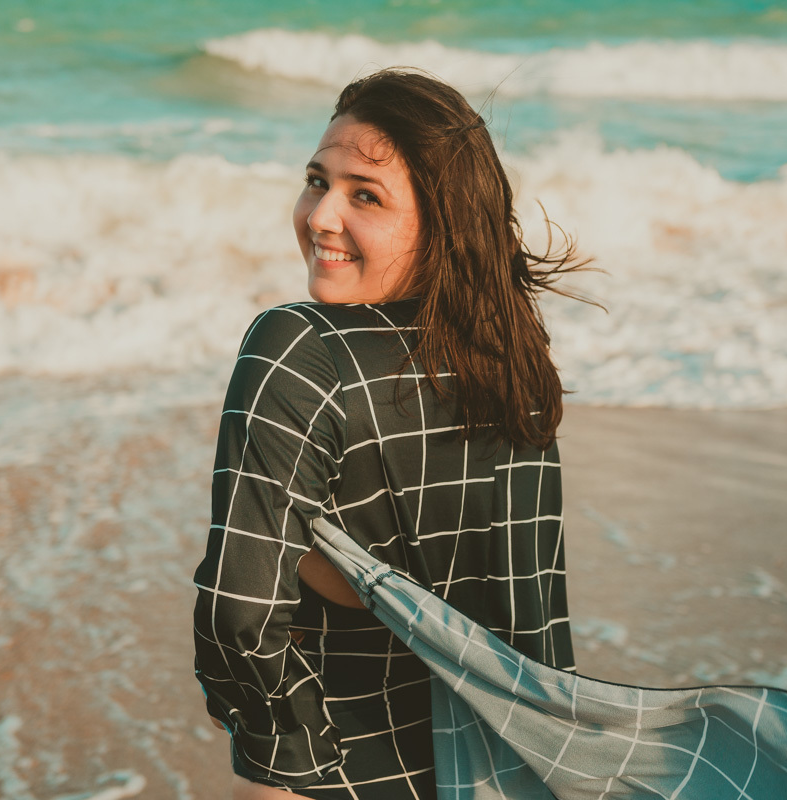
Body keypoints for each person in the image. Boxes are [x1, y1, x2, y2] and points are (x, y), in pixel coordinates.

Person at [192, 69, 588, 799]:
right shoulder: (515, 364)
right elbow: (533, 607)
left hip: (345, 769)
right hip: (508, 770)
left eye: (364, 195)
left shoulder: (301, 350)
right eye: (318, 180)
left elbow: (238, 614)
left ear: (441, 222)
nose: (320, 216)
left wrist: (284, 761)